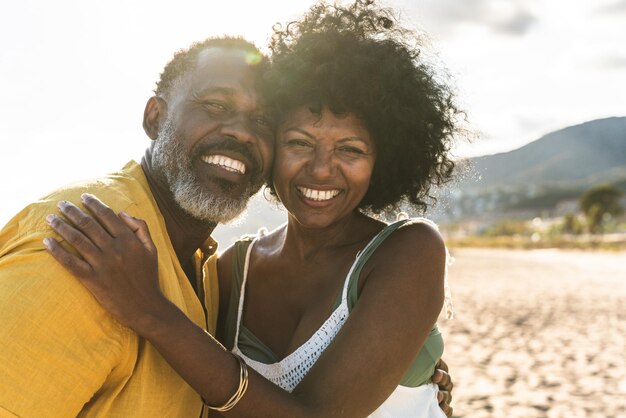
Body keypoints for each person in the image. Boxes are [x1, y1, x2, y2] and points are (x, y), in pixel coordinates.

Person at [0, 28, 453, 418]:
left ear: (384, 160)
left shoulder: (201, 272)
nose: (320, 170)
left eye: (350, 150)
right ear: (154, 116)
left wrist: (152, 312)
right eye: (216, 105)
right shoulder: (90, 244)